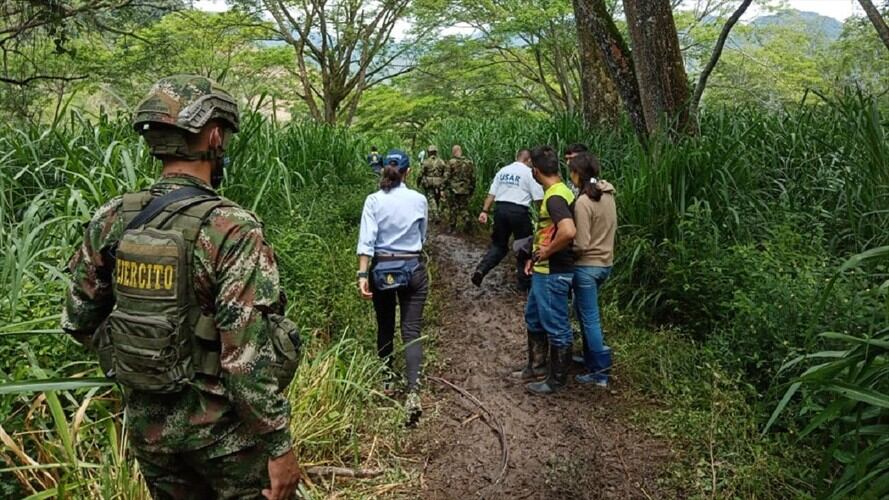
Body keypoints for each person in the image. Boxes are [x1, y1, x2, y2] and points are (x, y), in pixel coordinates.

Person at [61, 75, 302, 499]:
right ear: (213, 135)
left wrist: (141, 360)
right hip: (226, 440)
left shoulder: (112, 218)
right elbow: (245, 357)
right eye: (224, 133)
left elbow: (79, 319)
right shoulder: (232, 227)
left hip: (149, 433)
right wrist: (279, 445)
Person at [357, 149, 429, 425]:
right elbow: (423, 235)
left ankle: (387, 380)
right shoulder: (419, 199)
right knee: (411, 329)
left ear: (383, 169)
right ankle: (413, 391)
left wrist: (363, 274)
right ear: (408, 172)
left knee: (385, 324)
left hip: (383, 269)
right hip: (412, 267)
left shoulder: (373, 200)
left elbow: (367, 240)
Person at [521, 145, 576, 395]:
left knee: (556, 323)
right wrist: (536, 256)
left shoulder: (555, 197)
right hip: (543, 269)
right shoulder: (559, 191)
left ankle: (556, 380)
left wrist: (546, 252)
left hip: (554, 270)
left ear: (535, 170)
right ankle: (537, 366)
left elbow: (567, 231)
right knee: (533, 316)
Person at [569, 152, 617, 387]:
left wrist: (565, 254)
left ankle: (600, 372)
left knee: (590, 319)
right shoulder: (608, 196)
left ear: (577, 174)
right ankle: (591, 358)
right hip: (605, 264)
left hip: (587, 266)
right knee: (582, 310)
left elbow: (581, 243)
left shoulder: (583, 203)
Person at [472, 149, 543, 291]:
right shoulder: (529, 173)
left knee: (499, 245)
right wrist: (543, 218)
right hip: (519, 212)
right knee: (524, 247)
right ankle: (524, 284)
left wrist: (485, 211)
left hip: (500, 210)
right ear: (529, 160)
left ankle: (481, 269)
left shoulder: (503, 171)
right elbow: (539, 199)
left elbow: (491, 194)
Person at [443, 144, 476, 231]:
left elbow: (446, 177)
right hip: (465, 189)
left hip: (454, 189)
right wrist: (471, 189)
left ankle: (452, 227)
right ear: (460, 151)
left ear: (453, 152)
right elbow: (473, 178)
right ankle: (467, 220)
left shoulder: (451, 162)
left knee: (453, 208)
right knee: (463, 207)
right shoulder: (469, 163)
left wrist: (443, 187)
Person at [417, 145, 447, 221]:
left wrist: (418, 182)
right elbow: (445, 173)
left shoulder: (426, 162)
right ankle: (437, 213)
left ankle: (436, 215)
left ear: (429, 153)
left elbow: (421, 174)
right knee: (437, 198)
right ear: (436, 152)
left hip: (429, 183)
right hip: (439, 183)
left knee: (431, 198)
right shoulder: (441, 162)